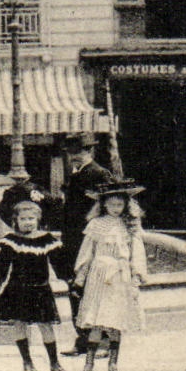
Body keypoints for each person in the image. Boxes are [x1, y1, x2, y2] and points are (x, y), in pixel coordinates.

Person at [73, 181, 148, 371]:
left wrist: (136, 278)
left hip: (119, 277)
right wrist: (81, 276)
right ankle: (88, 363)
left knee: (115, 321)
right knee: (95, 320)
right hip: (99, 275)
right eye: (112, 204)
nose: (116, 209)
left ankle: (113, 363)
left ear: (126, 205)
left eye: (119, 205)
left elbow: (137, 254)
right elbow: (87, 252)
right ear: (104, 204)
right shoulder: (96, 224)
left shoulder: (131, 226)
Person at [0, 199, 68, 371]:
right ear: (15, 221)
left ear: (38, 219)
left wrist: (69, 279)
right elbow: (1, 265)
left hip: (41, 289)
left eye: (31, 218)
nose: (28, 222)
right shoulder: (11, 241)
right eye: (23, 219)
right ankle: (27, 361)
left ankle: (54, 362)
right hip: (17, 289)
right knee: (20, 323)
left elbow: (59, 263)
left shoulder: (47, 240)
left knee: (46, 325)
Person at [59, 132, 112, 355]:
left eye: (78, 152)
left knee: (96, 288)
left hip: (90, 240)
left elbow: (110, 203)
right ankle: (82, 339)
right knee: (76, 288)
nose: (74, 157)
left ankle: (104, 341)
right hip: (72, 239)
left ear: (89, 151)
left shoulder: (99, 173)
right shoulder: (75, 174)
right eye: (71, 153)